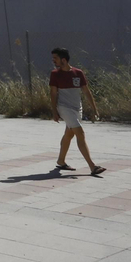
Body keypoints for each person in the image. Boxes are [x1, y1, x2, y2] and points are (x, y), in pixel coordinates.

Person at [49, 47, 105, 175]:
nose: (53, 61)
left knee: (69, 134)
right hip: (64, 107)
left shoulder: (78, 73)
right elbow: (53, 94)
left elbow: (86, 91)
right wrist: (54, 111)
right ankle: (93, 166)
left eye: (55, 58)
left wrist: (94, 108)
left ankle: (61, 161)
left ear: (64, 59)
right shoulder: (55, 74)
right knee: (80, 133)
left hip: (77, 108)